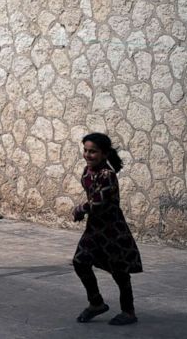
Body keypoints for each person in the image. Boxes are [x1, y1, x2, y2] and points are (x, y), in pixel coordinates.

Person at [72, 132, 142, 326]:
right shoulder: (87, 171)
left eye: (92, 152)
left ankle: (128, 312)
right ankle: (96, 303)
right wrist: (85, 211)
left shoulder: (107, 175)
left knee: (120, 272)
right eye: (85, 150)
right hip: (95, 229)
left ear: (103, 154)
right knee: (80, 262)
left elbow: (98, 202)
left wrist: (81, 209)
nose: (87, 155)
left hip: (112, 231)